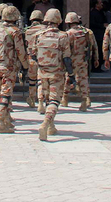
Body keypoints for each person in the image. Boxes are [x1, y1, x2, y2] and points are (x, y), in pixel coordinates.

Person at [0, 6, 29, 133]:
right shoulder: (15, 31)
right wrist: (26, 66)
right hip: (9, 67)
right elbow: (20, 51)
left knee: (1, 91)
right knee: (6, 94)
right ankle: (1, 122)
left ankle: (7, 119)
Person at [34, 8, 74, 141]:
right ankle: (45, 125)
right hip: (57, 73)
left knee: (46, 100)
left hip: (43, 72)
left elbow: (33, 54)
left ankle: (51, 126)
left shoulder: (39, 35)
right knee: (54, 100)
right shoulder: (63, 36)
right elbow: (67, 58)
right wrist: (71, 74)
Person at [62, 12, 99, 111]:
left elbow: (65, 49)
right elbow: (94, 46)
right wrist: (96, 59)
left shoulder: (68, 33)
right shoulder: (86, 32)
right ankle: (84, 101)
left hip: (71, 60)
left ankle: (65, 98)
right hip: (83, 60)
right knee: (83, 80)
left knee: (68, 79)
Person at [24, 9, 45, 110]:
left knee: (32, 81)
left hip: (30, 59)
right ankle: (41, 102)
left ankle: (32, 99)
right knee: (40, 81)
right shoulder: (45, 29)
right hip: (43, 59)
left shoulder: (27, 30)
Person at [89, 0, 107, 72]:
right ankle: (95, 67)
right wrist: (102, 25)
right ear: (96, 4)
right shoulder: (93, 13)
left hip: (101, 35)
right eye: (100, 3)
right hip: (96, 35)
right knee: (97, 51)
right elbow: (93, 23)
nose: (102, 4)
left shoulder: (101, 12)